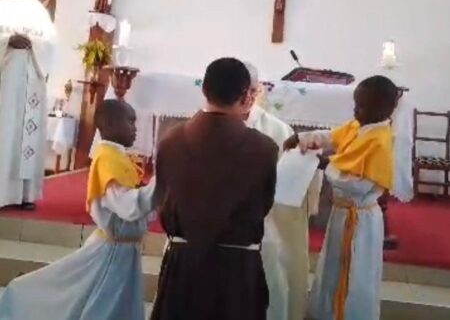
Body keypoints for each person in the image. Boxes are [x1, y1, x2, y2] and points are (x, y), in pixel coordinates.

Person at [0, 99, 155, 320]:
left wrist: (152, 203)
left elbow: (135, 206)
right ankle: (20, 300)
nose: (135, 128)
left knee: (107, 301)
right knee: (101, 304)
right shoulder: (107, 159)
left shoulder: (118, 156)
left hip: (123, 248)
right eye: (130, 121)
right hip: (113, 250)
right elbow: (126, 205)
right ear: (110, 124)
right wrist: (157, 187)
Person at [151, 58, 279, 320]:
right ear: (246, 95)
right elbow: (263, 204)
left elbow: (162, 196)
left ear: (204, 89)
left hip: (183, 266)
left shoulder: (170, 141)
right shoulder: (264, 148)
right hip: (236, 272)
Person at [284, 75, 398, 320]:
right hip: (343, 214)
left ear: (385, 109)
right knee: (333, 267)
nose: (356, 111)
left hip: (359, 220)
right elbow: (332, 136)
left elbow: (359, 184)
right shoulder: (361, 127)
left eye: (363, 106)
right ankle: (327, 312)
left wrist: (326, 165)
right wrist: (303, 138)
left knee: (353, 271)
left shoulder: (379, 141)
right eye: (356, 104)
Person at [243, 62, 321, 320]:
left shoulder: (277, 130)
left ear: (256, 91)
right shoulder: (208, 126)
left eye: (249, 90)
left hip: (266, 226)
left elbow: (293, 181)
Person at [0, 0, 56, 210]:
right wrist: (7, 40)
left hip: (30, 79)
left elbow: (51, 42)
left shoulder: (34, 8)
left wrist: (32, 42)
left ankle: (24, 194)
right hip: (4, 81)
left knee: (24, 135)